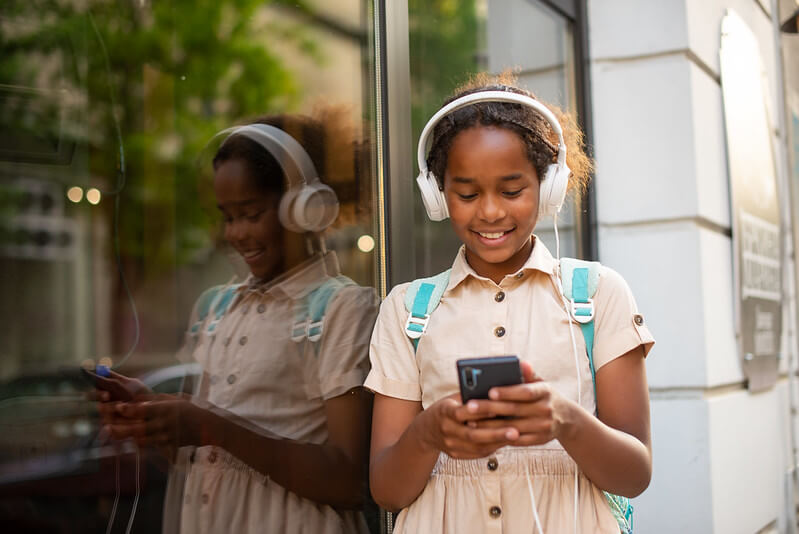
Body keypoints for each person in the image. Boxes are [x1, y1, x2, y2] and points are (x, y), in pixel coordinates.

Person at [365, 73, 654, 534]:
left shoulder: (599, 296)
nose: (491, 212)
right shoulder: (406, 311)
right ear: (437, 196)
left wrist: (565, 420)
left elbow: (635, 474)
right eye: (466, 193)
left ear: (550, 184)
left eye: (512, 190)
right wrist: (428, 432)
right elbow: (387, 491)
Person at [97, 114, 379, 534]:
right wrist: (156, 423)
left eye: (250, 214)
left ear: (304, 209)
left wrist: (210, 426)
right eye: (227, 217)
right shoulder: (217, 306)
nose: (235, 233)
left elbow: (346, 479)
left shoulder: (343, 309)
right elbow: (205, 455)